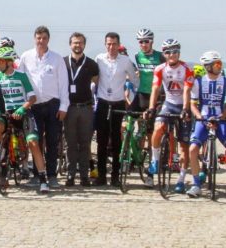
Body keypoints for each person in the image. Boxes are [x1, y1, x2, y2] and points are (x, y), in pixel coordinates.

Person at [0, 46, 50, 193]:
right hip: (8, 113)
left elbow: (32, 97)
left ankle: (43, 179)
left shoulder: (21, 76)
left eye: (0, 61)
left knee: (33, 143)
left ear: (9, 62)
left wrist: (23, 108)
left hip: (23, 112)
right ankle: (2, 147)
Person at [187, 51, 226, 199]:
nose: (220, 66)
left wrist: (221, 117)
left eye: (220, 63)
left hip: (220, 118)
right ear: (208, 67)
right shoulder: (198, 82)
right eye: (216, 64)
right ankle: (196, 184)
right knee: (192, 149)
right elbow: (193, 105)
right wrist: (200, 117)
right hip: (203, 119)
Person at [18, 26, 70, 188]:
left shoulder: (56, 59)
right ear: (34, 39)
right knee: (35, 141)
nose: (41, 41)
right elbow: (20, 81)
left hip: (53, 105)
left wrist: (64, 106)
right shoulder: (26, 57)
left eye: (44, 38)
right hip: (33, 106)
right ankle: (37, 175)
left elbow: (64, 83)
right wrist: (23, 104)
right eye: (38, 38)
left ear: (48, 39)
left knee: (53, 142)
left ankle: (52, 175)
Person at [146, 39, 194, 193]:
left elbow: (187, 90)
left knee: (184, 145)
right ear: (164, 54)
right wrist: (151, 108)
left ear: (179, 52)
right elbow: (155, 89)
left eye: (174, 52)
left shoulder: (187, 68)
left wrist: (185, 109)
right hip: (169, 103)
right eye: (167, 52)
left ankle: (181, 179)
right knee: (158, 127)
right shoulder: (160, 69)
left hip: (183, 105)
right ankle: (155, 160)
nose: (171, 55)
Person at [95, 32, 139, 186]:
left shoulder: (125, 61)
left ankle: (115, 176)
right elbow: (94, 80)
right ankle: (101, 176)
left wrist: (133, 102)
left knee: (116, 142)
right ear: (105, 44)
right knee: (101, 141)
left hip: (118, 104)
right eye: (108, 44)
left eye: (114, 44)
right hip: (102, 103)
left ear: (118, 45)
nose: (111, 47)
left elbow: (135, 81)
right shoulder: (99, 59)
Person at [63, 32, 99, 187]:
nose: (77, 45)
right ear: (70, 44)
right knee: (70, 143)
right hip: (69, 108)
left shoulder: (91, 64)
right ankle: (70, 175)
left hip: (86, 108)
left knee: (85, 143)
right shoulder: (63, 62)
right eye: (75, 42)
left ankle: (84, 176)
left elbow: (97, 82)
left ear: (84, 44)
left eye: (80, 42)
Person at [133, 28, 165, 187]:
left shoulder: (160, 56)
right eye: (141, 42)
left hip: (156, 96)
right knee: (128, 121)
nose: (143, 44)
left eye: (146, 41)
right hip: (141, 95)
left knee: (152, 135)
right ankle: (132, 154)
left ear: (152, 42)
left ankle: (151, 172)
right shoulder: (137, 56)